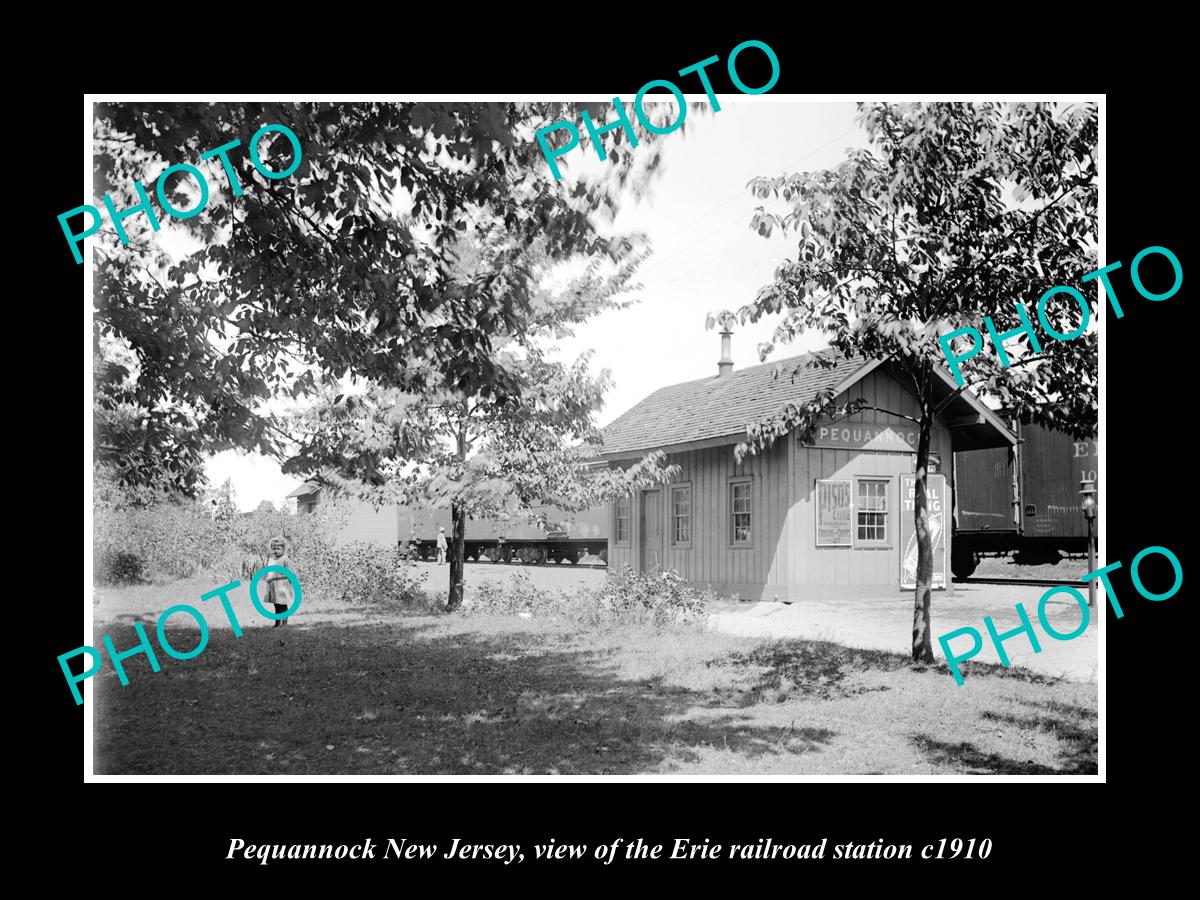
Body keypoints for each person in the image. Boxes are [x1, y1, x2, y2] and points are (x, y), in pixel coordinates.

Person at [265, 536, 295, 627]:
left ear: (283, 548)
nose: (276, 551)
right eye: (274, 548)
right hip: (273, 586)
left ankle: (284, 623)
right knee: (276, 605)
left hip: (282, 585)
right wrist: (269, 578)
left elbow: (291, 573)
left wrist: (290, 583)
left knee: (283, 604)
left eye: (278, 548)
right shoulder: (271, 560)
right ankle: (277, 623)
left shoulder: (285, 560)